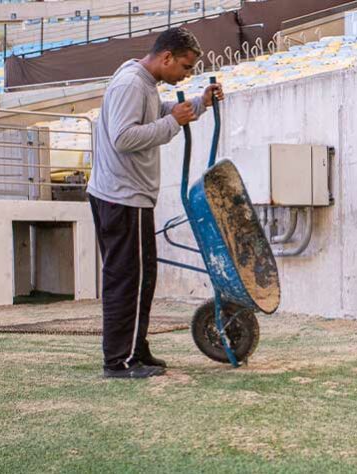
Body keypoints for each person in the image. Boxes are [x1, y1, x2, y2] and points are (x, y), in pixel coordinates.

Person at [87, 27, 224, 379]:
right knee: (126, 280)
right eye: (185, 67)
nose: (186, 74)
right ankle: (119, 361)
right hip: (122, 196)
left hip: (130, 196)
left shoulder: (143, 83)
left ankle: (136, 348)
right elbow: (123, 137)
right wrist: (172, 123)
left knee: (142, 277)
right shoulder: (131, 83)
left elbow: (159, 114)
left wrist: (198, 104)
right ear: (166, 58)